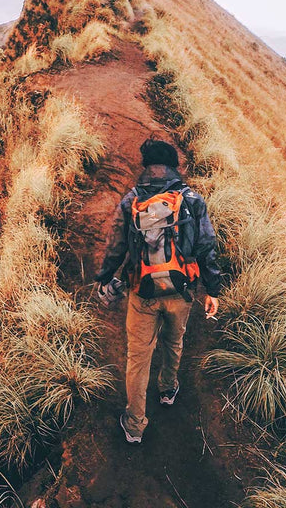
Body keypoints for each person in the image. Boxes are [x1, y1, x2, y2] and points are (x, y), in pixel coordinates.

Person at [95, 139, 221, 444]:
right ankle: (167, 390)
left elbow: (116, 246)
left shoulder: (131, 201)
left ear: (145, 166)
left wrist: (104, 276)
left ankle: (135, 424)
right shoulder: (192, 200)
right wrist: (212, 290)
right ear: (174, 167)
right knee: (173, 340)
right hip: (181, 290)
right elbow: (206, 247)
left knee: (137, 358)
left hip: (142, 291)